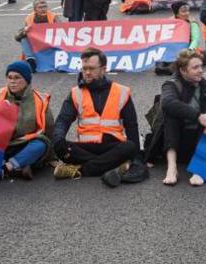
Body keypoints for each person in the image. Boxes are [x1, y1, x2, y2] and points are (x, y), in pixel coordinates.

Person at [50, 47, 146, 187]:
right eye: (84, 68)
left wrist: (137, 157)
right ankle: (114, 166)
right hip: (85, 147)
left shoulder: (121, 91)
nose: (87, 73)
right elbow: (63, 120)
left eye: (92, 68)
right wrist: (58, 138)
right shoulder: (76, 93)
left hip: (111, 145)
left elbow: (131, 125)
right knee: (60, 145)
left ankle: (80, 170)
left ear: (103, 69)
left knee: (130, 147)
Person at [146, 48, 206, 186]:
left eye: (201, 66)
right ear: (183, 71)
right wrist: (198, 116)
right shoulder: (171, 84)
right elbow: (167, 103)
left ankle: (198, 170)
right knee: (171, 115)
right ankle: (172, 168)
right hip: (175, 141)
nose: (201, 70)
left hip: (198, 141)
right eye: (195, 67)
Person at [0, 60, 56, 180]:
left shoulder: (39, 100)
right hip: (2, 145)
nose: (12, 81)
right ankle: (19, 167)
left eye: (17, 78)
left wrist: (52, 157)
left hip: (25, 145)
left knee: (41, 144)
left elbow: (49, 130)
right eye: (9, 77)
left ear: (27, 80)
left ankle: (6, 169)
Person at [155, 1, 204, 76]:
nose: (187, 13)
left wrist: (189, 50)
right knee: (160, 61)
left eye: (188, 11)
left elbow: (195, 39)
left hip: (188, 48)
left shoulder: (192, 22)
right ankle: (168, 68)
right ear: (176, 13)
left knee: (184, 59)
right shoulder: (169, 21)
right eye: (183, 11)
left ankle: (175, 68)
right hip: (172, 48)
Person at [16, 0, 62, 68]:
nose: (43, 9)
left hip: (50, 41)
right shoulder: (29, 18)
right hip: (36, 43)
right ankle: (30, 59)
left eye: (44, 7)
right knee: (23, 38)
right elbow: (17, 37)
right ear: (35, 9)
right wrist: (25, 31)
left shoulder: (54, 16)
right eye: (40, 7)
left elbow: (62, 31)